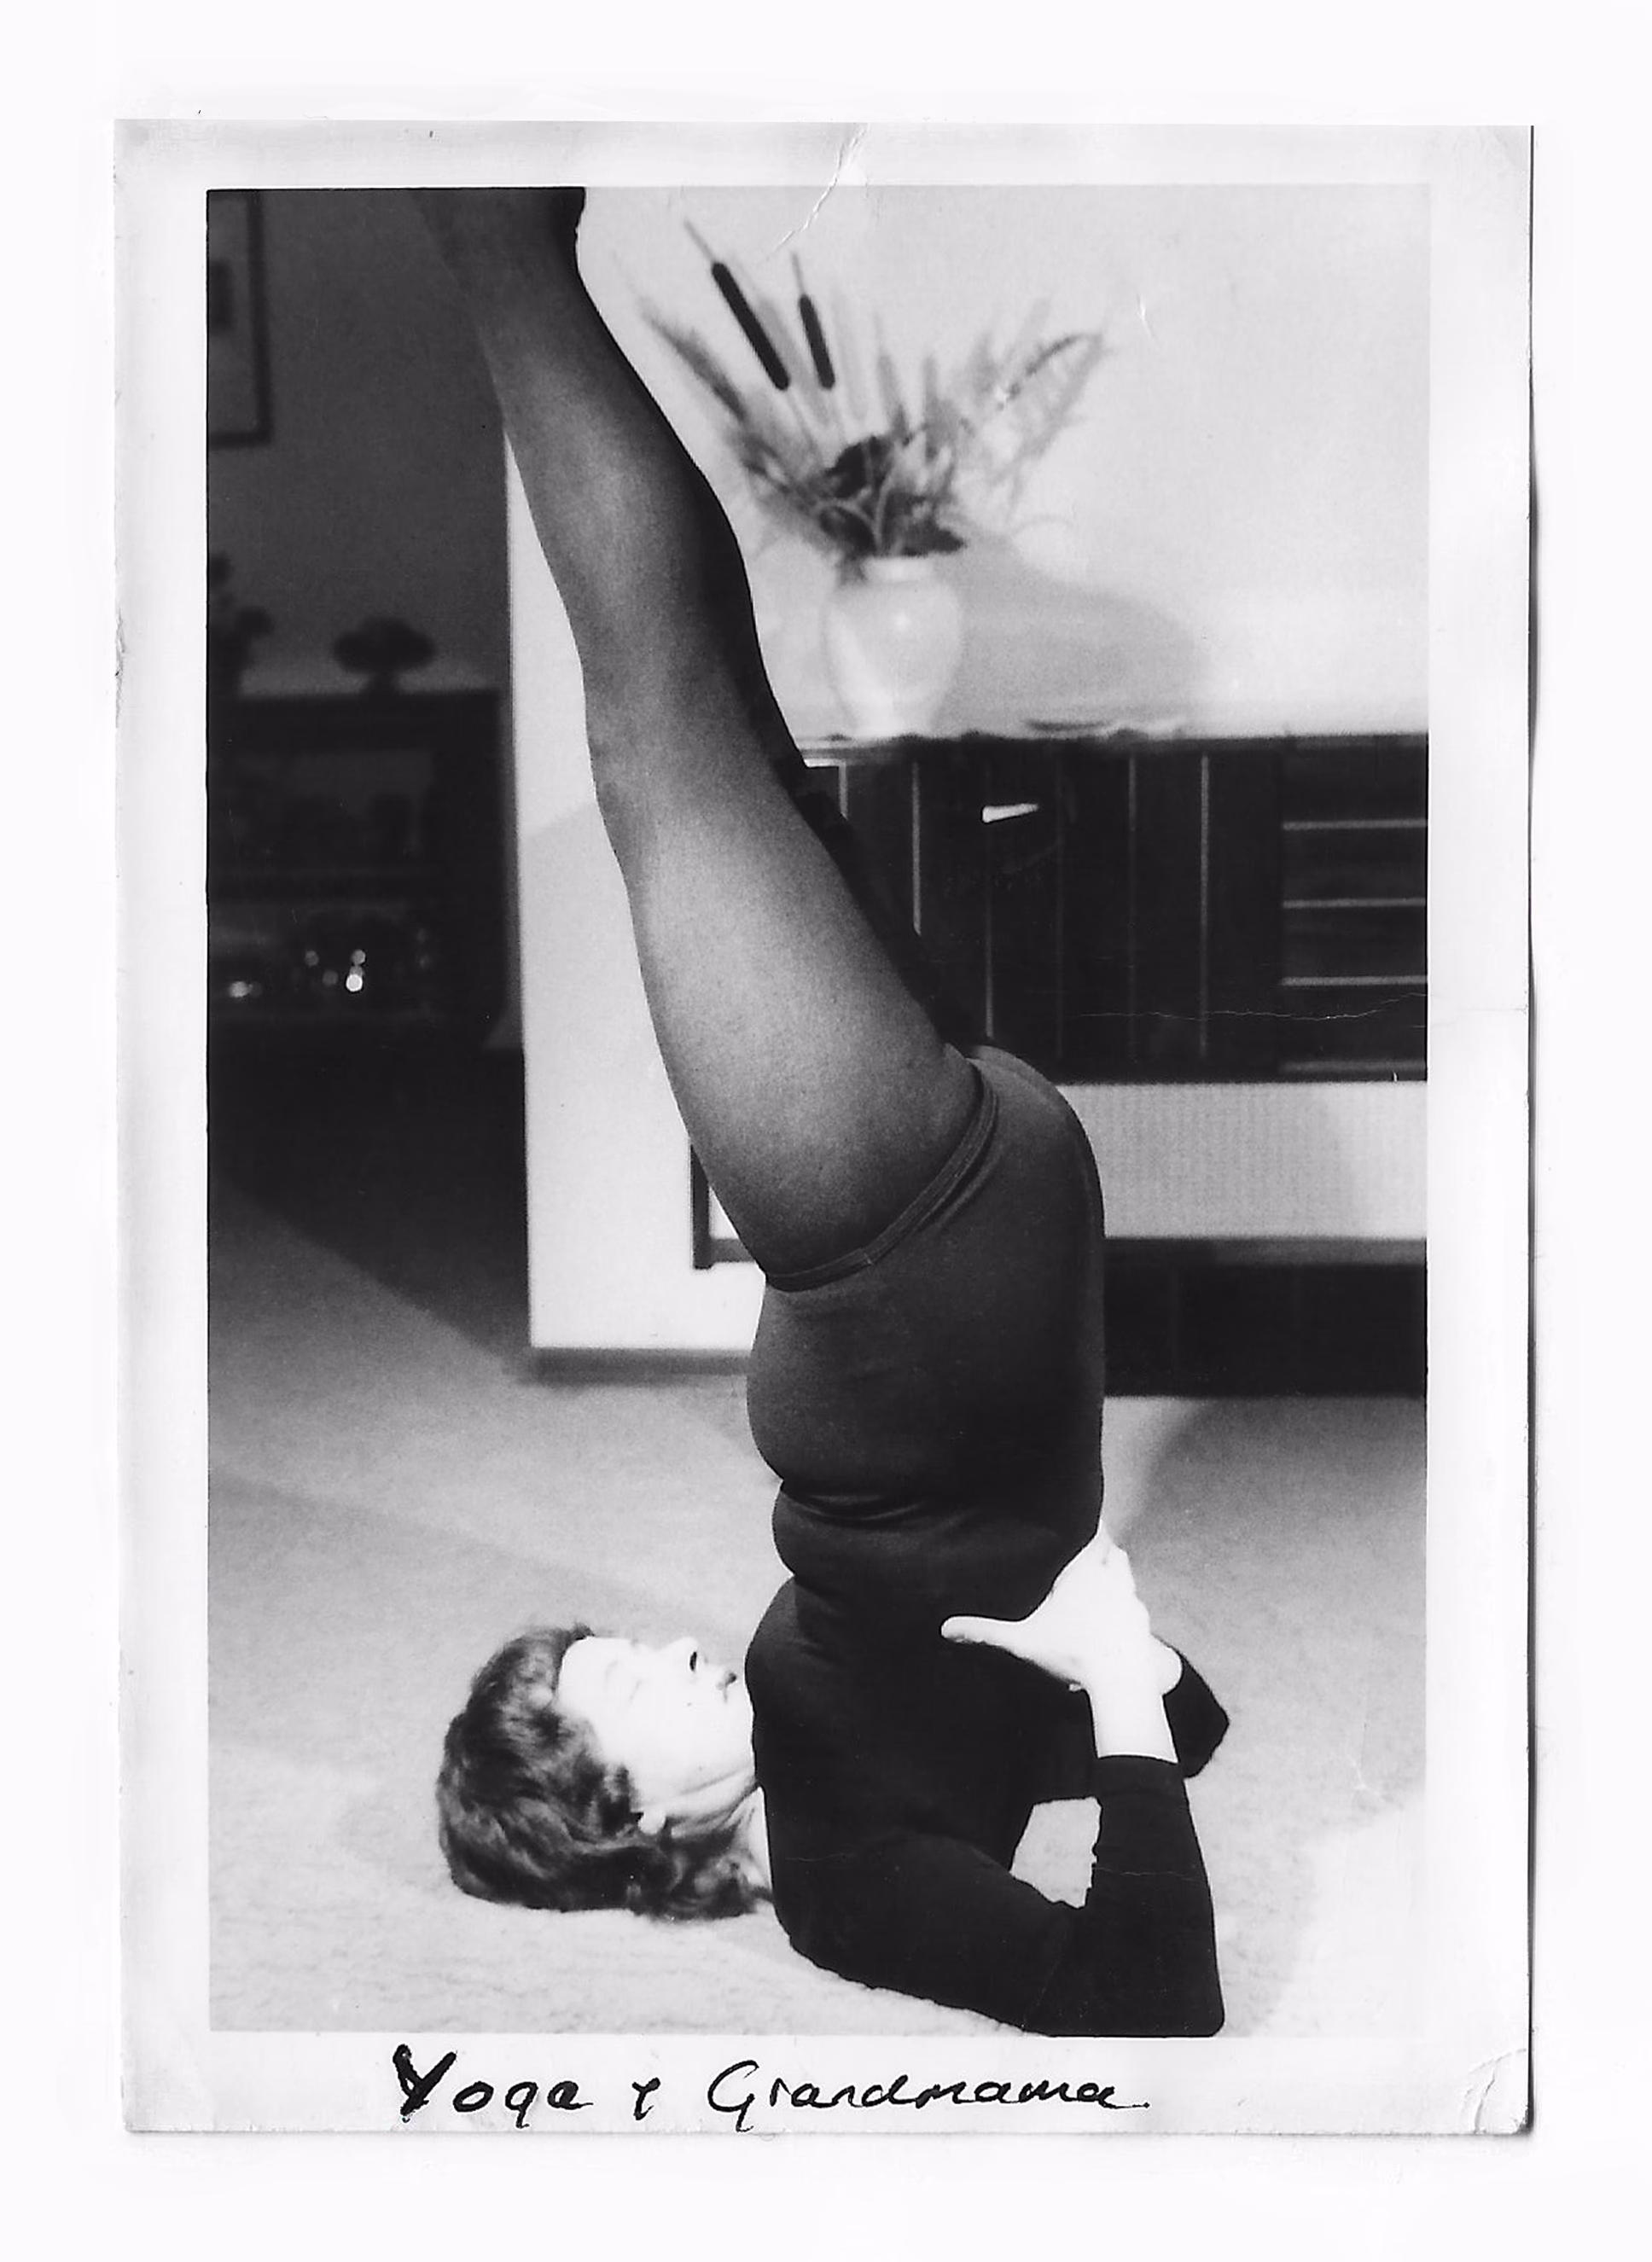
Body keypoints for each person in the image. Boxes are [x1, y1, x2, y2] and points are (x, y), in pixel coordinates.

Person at [424, 188, 1227, 2037]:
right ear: (615, 1817)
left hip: (895, 1237)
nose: (660, 1642)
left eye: (605, 1646)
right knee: (667, 739)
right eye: (612, 1681)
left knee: (702, 726)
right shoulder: (846, 1892)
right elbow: (1148, 1980)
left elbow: (1157, 1707)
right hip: (912, 1246)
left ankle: (502, 242)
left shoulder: (805, 1748)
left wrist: (1100, 1667)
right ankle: (485, 234)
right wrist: (1106, 1670)